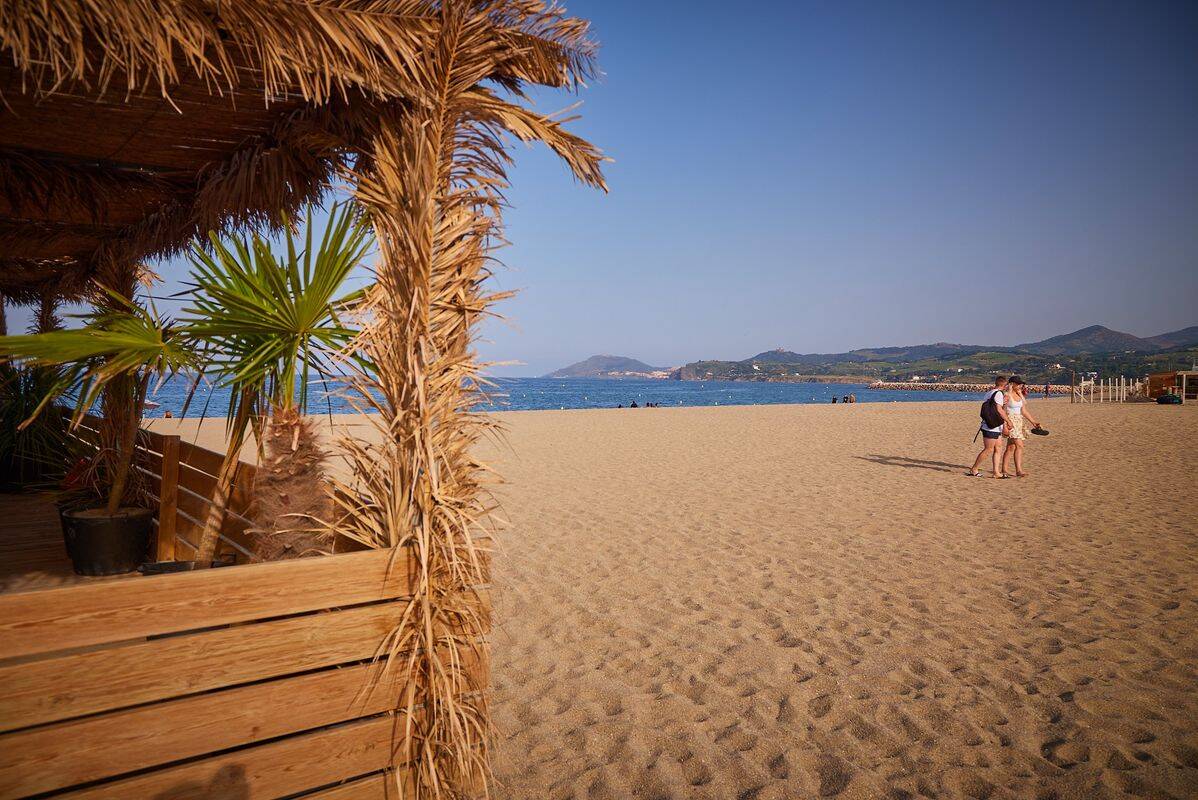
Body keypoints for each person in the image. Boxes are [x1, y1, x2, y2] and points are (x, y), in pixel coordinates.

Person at [968, 376, 1009, 478]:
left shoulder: (989, 393)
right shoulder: (998, 394)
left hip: (992, 424)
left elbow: (995, 408)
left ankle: (996, 472)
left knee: (998, 448)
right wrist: (1008, 421)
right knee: (988, 449)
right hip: (992, 426)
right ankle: (974, 468)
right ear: (1004, 385)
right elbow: (999, 410)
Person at [1002, 377, 1043, 478]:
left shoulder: (1019, 395)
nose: (1020, 386)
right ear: (1012, 384)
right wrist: (1004, 425)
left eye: (1021, 384)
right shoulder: (1007, 395)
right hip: (1010, 422)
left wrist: (1033, 422)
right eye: (1018, 384)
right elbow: (1002, 411)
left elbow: (1024, 411)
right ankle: (1019, 470)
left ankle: (1004, 469)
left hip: (1019, 422)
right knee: (1019, 445)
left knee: (1011, 447)